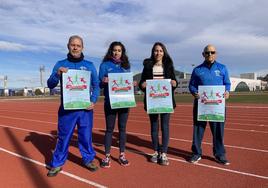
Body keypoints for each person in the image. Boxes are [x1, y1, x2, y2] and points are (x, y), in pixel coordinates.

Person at [47, 35, 100, 177]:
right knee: (63, 137)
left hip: (85, 110)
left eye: (78, 45)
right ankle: (57, 163)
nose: (75, 47)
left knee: (85, 136)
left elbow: (96, 85)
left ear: (82, 47)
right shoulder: (60, 64)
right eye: (73, 45)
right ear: (68, 46)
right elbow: (50, 84)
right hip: (67, 110)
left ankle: (88, 159)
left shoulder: (89, 65)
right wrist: (57, 74)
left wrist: (93, 100)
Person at [188, 44, 231, 165]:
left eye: (212, 52)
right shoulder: (197, 70)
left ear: (216, 53)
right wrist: (194, 92)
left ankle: (220, 154)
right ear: (203, 54)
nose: (210, 54)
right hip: (201, 105)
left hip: (217, 106)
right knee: (198, 129)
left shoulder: (222, 68)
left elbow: (227, 83)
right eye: (207, 53)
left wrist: (227, 91)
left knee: (218, 130)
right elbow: (191, 85)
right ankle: (196, 153)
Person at [139, 42, 178, 166]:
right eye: (156, 50)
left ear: (164, 52)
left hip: (166, 101)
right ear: (153, 52)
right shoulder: (147, 66)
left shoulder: (169, 65)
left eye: (161, 50)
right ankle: (156, 151)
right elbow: (142, 82)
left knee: (165, 127)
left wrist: (174, 83)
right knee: (154, 127)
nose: (158, 53)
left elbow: (174, 81)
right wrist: (142, 85)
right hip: (152, 101)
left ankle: (164, 153)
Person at [99, 41, 132, 168]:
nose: (116, 52)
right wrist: (104, 80)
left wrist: (131, 84)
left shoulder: (126, 65)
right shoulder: (105, 65)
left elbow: (127, 83)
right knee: (109, 129)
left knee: (122, 129)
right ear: (111, 51)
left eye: (119, 50)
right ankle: (107, 156)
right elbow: (99, 82)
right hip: (110, 102)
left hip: (124, 102)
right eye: (114, 50)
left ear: (122, 52)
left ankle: (122, 155)